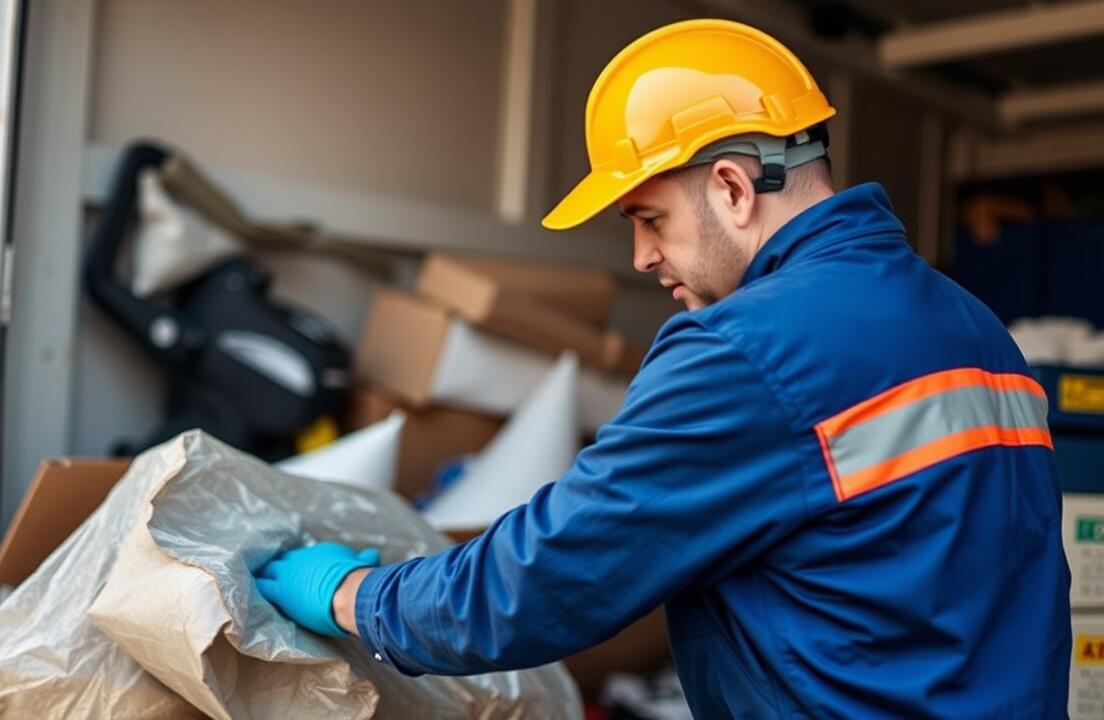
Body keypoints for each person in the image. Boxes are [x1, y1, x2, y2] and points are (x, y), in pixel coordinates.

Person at [253, 19, 1071, 717]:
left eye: (649, 218)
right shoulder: (976, 328)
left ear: (731, 187)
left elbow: (536, 585)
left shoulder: (741, 350)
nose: (642, 256)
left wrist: (349, 595)